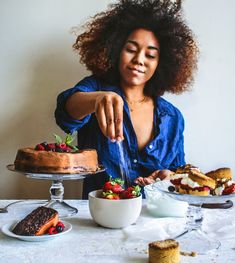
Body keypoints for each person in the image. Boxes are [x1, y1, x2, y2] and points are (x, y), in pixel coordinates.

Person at [55, 0, 198, 199]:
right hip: (100, 219)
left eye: (150, 55)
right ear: (115, 50)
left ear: (161, 63)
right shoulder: (95, 87)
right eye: (131, 49)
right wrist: (97, 100)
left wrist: (169, 177)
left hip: (153, 220)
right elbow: (66, 114)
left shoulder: (173, 117)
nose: (139, 59)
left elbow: (178, 176)